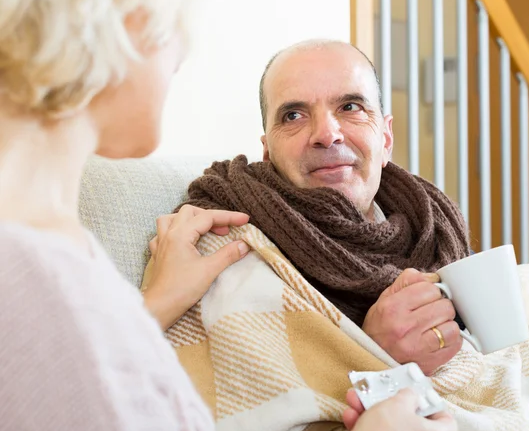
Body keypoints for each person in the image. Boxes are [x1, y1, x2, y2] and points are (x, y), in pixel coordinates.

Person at [0, 0, 456, 431]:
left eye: (350, 106)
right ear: (123, 26)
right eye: (174, 26)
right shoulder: (34, 273)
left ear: (386, 134)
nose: (181, 54)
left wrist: (152, 308)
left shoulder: (64, 253)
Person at [155, 40, 470, 376]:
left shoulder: (435, 229)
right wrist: (370, 355)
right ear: (268, 152)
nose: (326, 134)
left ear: (386, 139)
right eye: (293, 115)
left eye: (350, 107)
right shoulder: (224, 243)